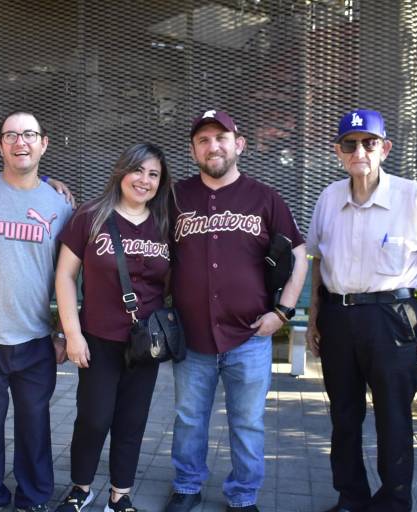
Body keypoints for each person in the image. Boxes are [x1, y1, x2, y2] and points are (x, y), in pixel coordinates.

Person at [164, 109, 308, 512]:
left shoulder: (264, 197)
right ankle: (188, 486)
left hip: (249, 336)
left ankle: (243, 496)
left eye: (221, 138)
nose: (214, 146)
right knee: (189, 419)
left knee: (246, 423)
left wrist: (282, 312)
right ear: (194, 150)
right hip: (192, 337)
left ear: (238, 144)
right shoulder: (176, 197)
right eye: (204, 140)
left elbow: (299, 254)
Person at [305, 109, 417, 512]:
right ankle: (351, 498)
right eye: (350, 144)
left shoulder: (412, 195)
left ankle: (393, 503)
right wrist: (315, 317)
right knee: (344, 417)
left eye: (369, 143)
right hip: (338, 318)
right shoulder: (329, 198)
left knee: (394, 419)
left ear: (384, 148)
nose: (359, 151)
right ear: (338, 152)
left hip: (392, 318)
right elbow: (319, 262)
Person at [0, 111, 73, 512]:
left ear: (44, 143)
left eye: (29, 134)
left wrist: (63, 331)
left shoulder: (60, 204)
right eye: (10, 135)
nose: (20, 141)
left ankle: (34, 498)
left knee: (34, 426)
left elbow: (70, 276)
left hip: (36, 339)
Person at [54, 143, 173, 512]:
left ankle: (120, 495)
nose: (145, 180)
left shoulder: (167, 222)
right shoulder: (90, 216)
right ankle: (81, 487)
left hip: (146, 343)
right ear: (122, 171)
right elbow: (65, 275)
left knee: (132, 421)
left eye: (154, 175)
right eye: (138, 171)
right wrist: (71, 333)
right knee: (93, 418)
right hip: (97, 339)